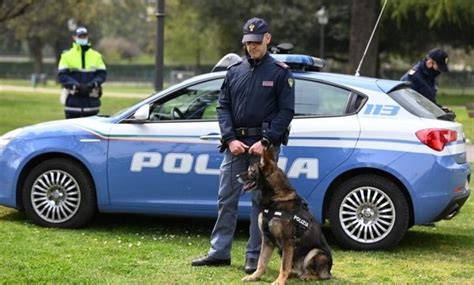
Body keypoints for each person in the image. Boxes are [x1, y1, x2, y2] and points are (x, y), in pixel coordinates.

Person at [191, 17, 295, 274]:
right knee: (226, 199)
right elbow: (223, 107)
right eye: (248, 43)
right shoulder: (234, 71)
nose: (252, 47)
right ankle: (219, 252)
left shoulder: (280, 72)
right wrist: (229, 139)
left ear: (267, 39)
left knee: (261, 204)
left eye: (257, 42)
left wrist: (266, 140)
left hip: (263, 149)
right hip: (236, 145)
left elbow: (286, 111)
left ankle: (253, 258)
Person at [58, 26, 107, 119]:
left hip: (91, 104)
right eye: (80, 36)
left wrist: (92, 85)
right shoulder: (66, 56)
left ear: (87, 37)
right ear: (74, 38)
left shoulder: (96, 56)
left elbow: (102, 74)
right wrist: (76, 86)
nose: (82, 38)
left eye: (84, 36)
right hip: (73, 104)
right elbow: (62, 76)